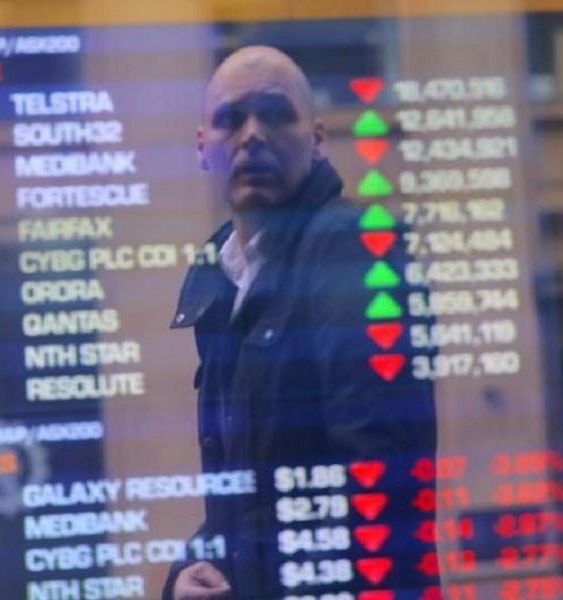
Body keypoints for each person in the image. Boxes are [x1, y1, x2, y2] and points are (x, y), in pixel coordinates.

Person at [164, 46, 437, 599]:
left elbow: (380, 485)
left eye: (275, 113)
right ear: (202, 148)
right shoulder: (221, 278)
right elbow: (249, 502)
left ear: (316, 141)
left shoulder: (354, 250)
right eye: (231, 119)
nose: (253, 134)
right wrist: (185, 576)